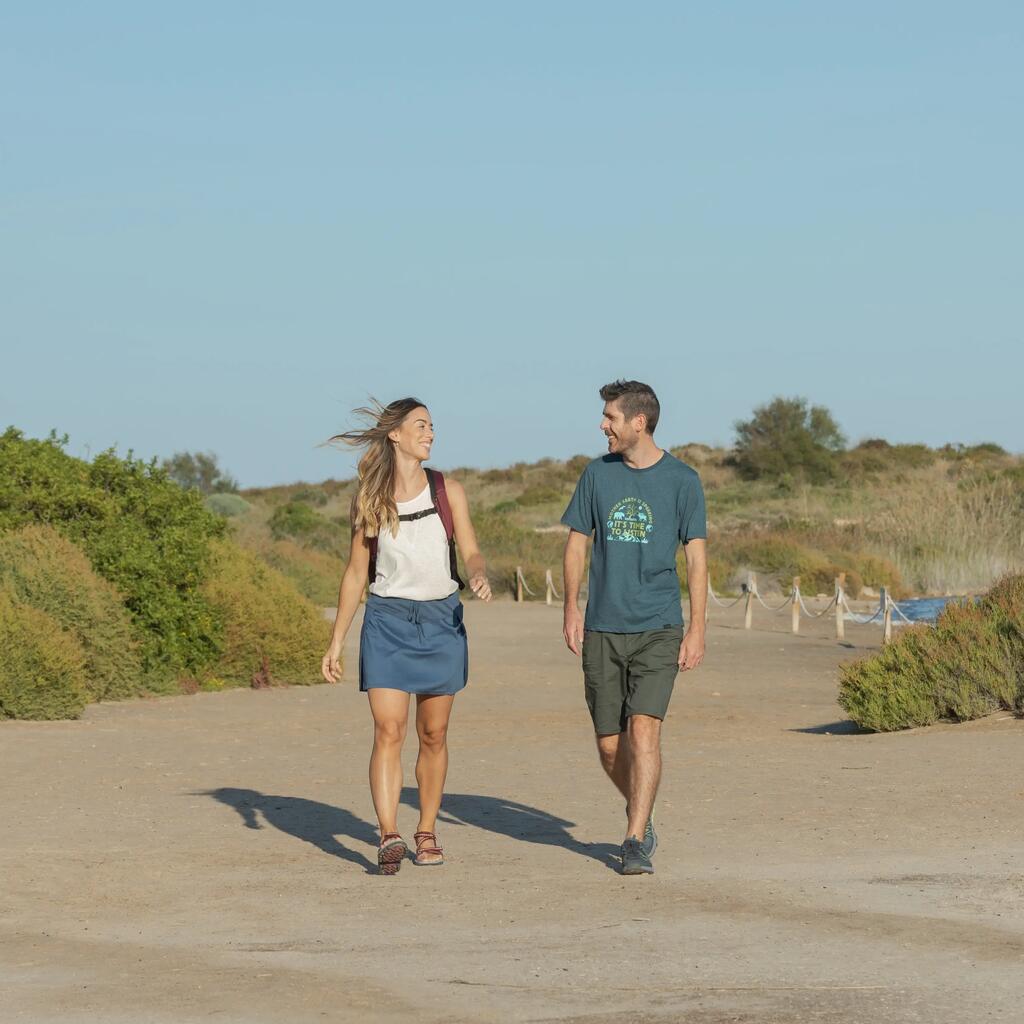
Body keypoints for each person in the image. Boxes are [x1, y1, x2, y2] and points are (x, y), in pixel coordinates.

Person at [321, 398, 491, 875]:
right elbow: (356, 573)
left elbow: (472, 552)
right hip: (387, 622)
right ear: (395, 434)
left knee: (432, 734)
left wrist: (477, 575)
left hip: (441, 621)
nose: (430, 433)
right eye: (421, 425)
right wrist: (337, 640)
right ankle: (389, 834)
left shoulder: (449, 491)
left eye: (432, 426)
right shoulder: (369, 500)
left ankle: (427, 830)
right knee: (388, 729)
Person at [561, 380, 707, 875]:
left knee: (644, 731)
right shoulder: (596, 475)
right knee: (609, 746)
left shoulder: (683, 481)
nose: (604, 425)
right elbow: (577, 544)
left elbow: (697, 559)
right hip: (602, 625)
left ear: (638, 422)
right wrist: (571, 607)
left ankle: (633, 839)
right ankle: (641, 812)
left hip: (659, 626)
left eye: (611, 417)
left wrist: (697, 629)